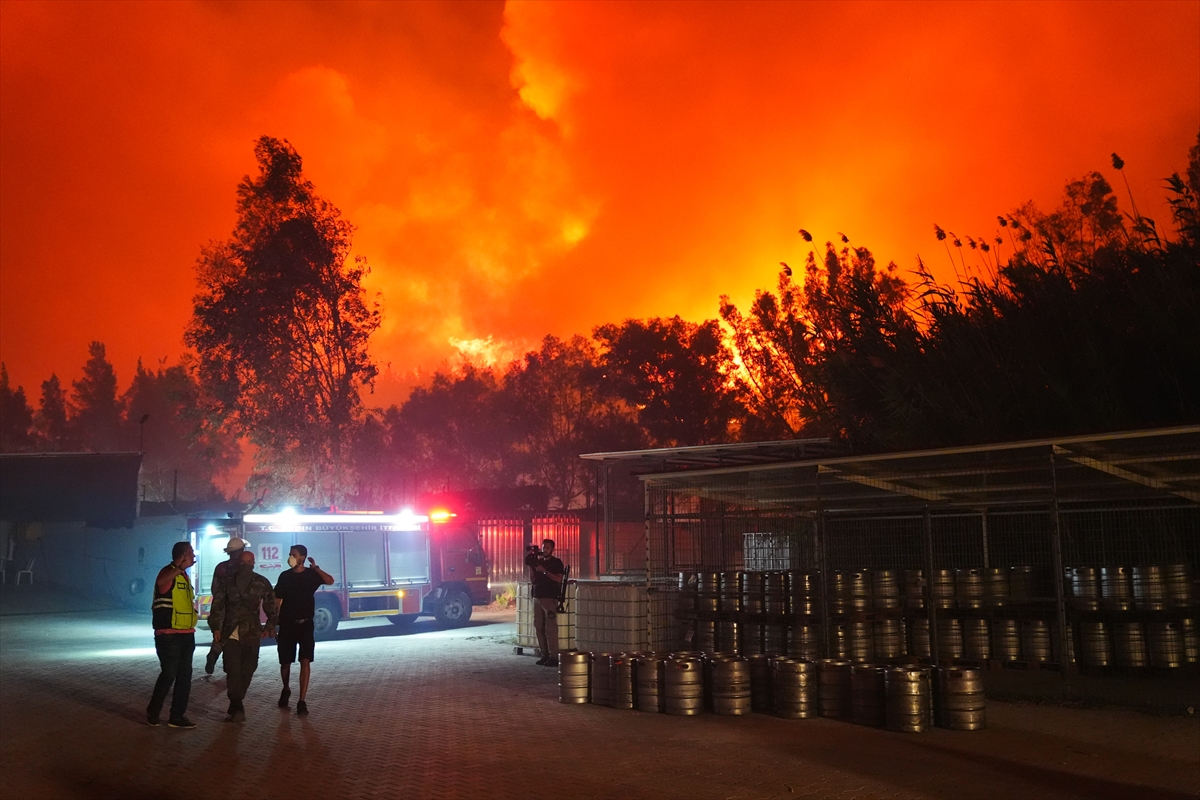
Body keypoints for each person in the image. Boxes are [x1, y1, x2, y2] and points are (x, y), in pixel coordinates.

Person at [209, 549, 278, 723]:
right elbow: (216, 606)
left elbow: (272, 606)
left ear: (254, 563)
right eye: (243, 562)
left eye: (249, 562)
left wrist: (270, 626)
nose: (246, 565)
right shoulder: (227, 583)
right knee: (233, 669)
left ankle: (236, 700)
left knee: (249, 667)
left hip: (252, 632)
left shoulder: (261, 582)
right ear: (238, 562)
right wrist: (216, 628)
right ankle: (237, 703)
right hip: (230, 632)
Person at [274, 544, 335, 715]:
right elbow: (277, 601)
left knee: (305, 660)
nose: (290, 557)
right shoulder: (285, 576)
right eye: (290, 554)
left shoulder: (311, 575)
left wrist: (316, 568)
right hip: (287, 624)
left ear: (302, 557)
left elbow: (330, 580)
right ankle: (286, 688)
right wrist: (274, 624)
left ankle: (302, 700)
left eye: (293, 554)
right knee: (285, 663)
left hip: (306, 624)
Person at [145, 541, 198, 728]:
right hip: (168, 634)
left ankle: (177, 717)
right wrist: (177, 566)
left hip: (186, 633)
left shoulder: (184, 577)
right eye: (191, 553)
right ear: (182, 555)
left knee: (184, 676)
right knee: (169, 673)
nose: (194, 556)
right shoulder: (168, 572)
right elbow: (161, 583)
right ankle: (153, 711)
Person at [204, 536, 250, 675]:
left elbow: (214, 587)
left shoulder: (221, 567)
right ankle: (227, 664)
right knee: (234, 636)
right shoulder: (242, 568)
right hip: (236, 608)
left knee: (221, 633)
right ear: (241, 550)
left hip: (221, 607)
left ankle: (213, 654)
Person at [527, 538, 565, 667]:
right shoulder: (539, 562)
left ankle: (554, 656)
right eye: (543, 547)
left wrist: (543, 570)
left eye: (547, 548)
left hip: (550, 598)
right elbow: (533, 580)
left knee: (551, 629)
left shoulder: (556, 562)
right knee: (539, 627)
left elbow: (559, 579)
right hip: (537, 597)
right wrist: (532, 566)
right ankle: (545, 655)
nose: (545, 550)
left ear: (552, 549)